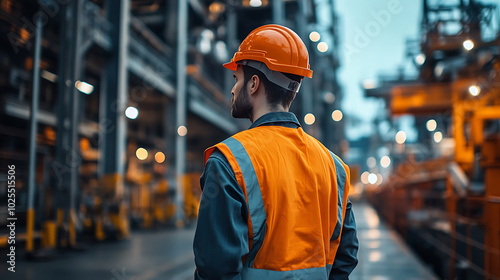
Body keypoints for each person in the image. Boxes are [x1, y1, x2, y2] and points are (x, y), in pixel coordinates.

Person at [193, 24, 358, 280]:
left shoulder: (229, 162)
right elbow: (345, 257)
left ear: (254, 84)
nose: (232, 89)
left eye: (237, 79)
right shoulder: (334, 167)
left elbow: (216, 270)